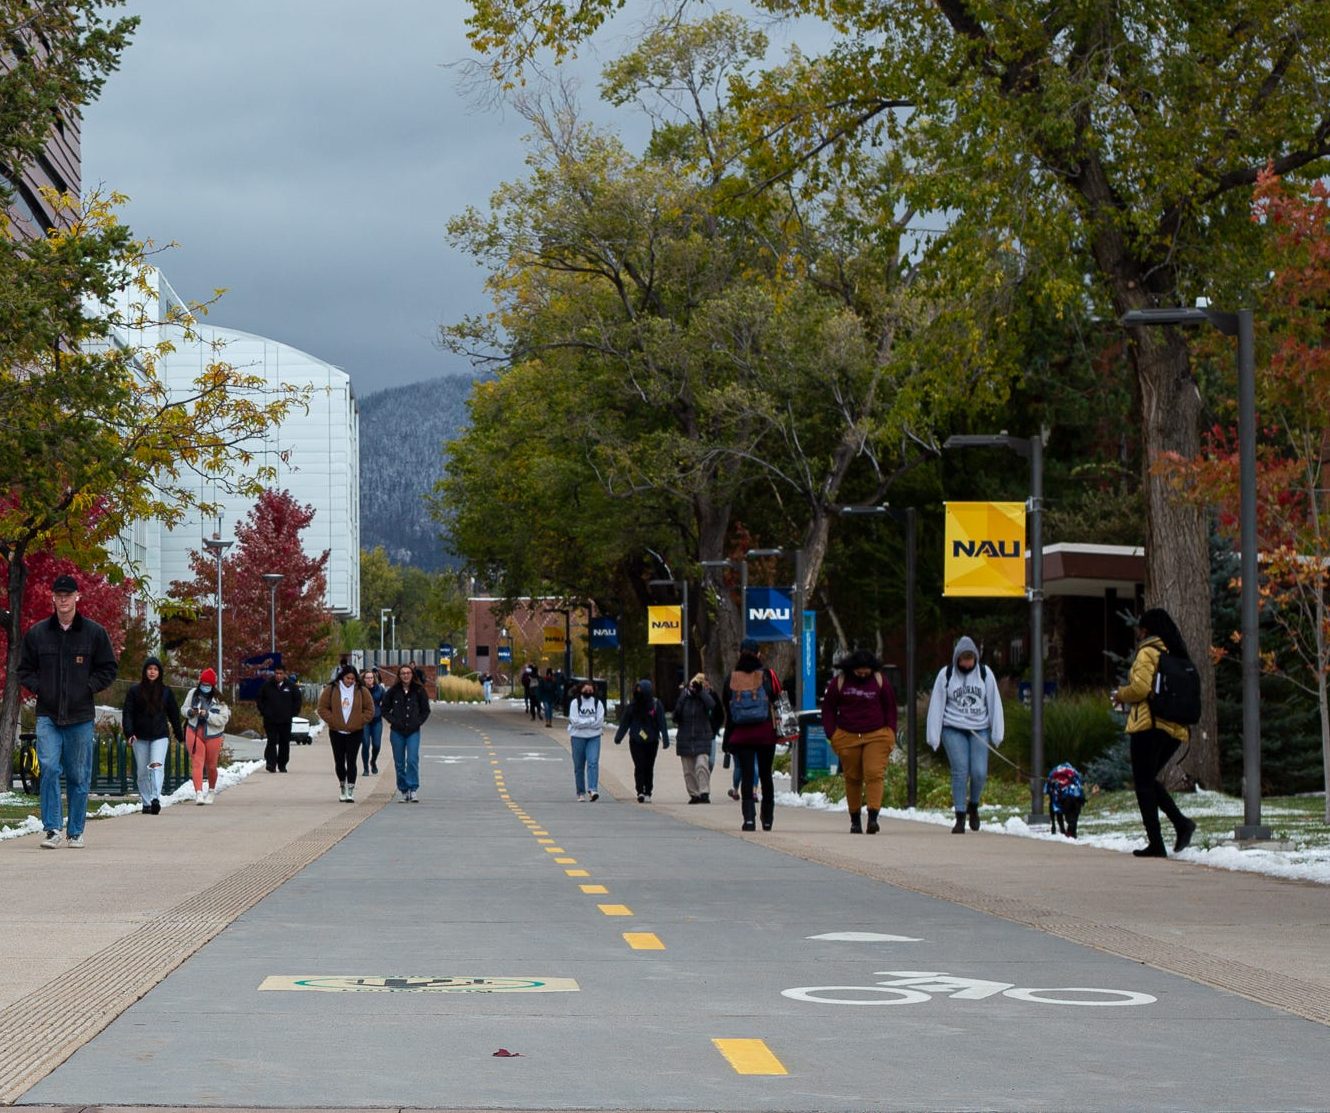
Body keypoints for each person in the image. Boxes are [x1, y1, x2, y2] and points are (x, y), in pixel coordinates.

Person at [17, 574, 119, 848]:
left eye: (68, 594)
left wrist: (87, 686)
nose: (63, 599)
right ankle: (52, 829)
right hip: (48, 714)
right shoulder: (38, 633)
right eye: (58, 594)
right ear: (52, 598)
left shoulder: (94, 633)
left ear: (77, 597)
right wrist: (42, 688)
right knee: (49, 767)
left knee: (77, 774)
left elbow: (108, 668)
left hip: (80, 716)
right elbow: (24, 669)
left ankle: (75, 831)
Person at [1114, 607, 1197, 858]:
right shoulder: (1176, 653)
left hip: (1148, 726)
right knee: (1148, 780)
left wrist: (1120, 694)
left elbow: (1139, 688)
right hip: (1174, 728)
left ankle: (1158, 842)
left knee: (1143, 783)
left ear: (1146, 630)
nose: (1138, 633)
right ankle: (1181, 824)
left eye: (1140, 628)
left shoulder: (1148, 651)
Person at [926, 636, 1005, 834]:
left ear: (975, 659)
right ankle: (960, 816)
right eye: (963, 659)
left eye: (970, 659)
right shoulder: (946, 675)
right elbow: (937, 705)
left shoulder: (985, 674)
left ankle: (974, 805)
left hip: (979, 728)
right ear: (957, 659)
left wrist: (997, 733)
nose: (967, 663)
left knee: (979, 772)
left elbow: (994, 703)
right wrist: (933, 736)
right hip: (953, 727)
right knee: (960, 770)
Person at [821, 649, 898, 834]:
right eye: (859, 672)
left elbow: (890, 707)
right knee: (853, 777)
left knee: (874, 773)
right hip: (847, 735)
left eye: (866, 672)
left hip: (877, 734)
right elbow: (828, 709)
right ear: (851, 669)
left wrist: (890, 732)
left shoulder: (880, 681)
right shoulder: (839, 682)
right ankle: (855, 820)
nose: (863, 675)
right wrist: (833, 734)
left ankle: (873, 817)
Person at [722, 639, 781, 831]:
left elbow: (728, 711)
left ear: (740, 654)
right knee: (765, 775)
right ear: (759, 655)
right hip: (765, 734)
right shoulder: (768, 675)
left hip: (742, 735)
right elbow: (777, 699)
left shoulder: (731, 678)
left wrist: (727, 739)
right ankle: (767, 818)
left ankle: (749, 819)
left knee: (747, 776)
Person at [122, 656, 184, 815]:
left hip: (159, 735)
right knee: (142, 771)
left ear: (159, 672)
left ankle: (155, 798)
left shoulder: (166, 692)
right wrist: (129, 733)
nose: (152, 672)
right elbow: (128, 713)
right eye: (149, 669)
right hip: (139, 736)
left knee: (156, 766)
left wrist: (179, 734)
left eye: (155, 669)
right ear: (145, 671)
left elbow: (174, 714)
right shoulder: (134, 691)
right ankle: (146, 802)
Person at [317, 663, 373, 802]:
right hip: (337, 731)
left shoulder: (362, 691)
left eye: (353, 679)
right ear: (342, 677)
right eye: (348, 678)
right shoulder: (331, 689)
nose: (350, 681)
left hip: (355, 731)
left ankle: (351, 789)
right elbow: (322, 708)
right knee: (339, 761)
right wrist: (333, 721)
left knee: (352, 760)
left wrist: (359, 721)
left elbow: (369, 710)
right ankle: (342, 784)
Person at [382, 662, 432, 802]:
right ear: (399, 675)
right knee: (399, 762)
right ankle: (403, 789)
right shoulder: (393, 691)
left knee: (412, 759)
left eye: (408, 673)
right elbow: (385, 709)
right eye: (403, 673)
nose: (406, 676)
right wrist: (393, 720)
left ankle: (413, 788)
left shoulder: (419, 690)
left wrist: (418, 721)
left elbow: (425, 710)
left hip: (413, 731)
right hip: (397, 731)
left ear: (412, 674)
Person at [614, 678, 670, 802]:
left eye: (641, 690)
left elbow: (662, 722)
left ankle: (648, 790)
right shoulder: (632, 706)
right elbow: (625, 722)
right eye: (637, 690)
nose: (639, 693)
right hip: (636, 740)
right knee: (639, 765)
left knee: (649, 766)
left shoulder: (656, 704)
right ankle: (640, 790)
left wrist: (665, 739)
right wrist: (619, 737)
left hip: (652, 740)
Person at [183, 667, 231, 805]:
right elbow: (183, 709)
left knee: (211, 766)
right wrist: (190, 712)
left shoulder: (220, 700)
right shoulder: (192, 694)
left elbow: (223, 720)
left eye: (208, 685)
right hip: (194, 730)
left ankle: (211, 790)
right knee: (197, 762)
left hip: (213, 735)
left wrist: (208, 715)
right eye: (203, 684)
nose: (205, 687)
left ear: (213, 685)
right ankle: (198, 793)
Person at [673, 672, 718, 804]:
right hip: (685, 737)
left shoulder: (705, 697)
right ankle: (694, 794)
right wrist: (684, 696)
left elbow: (712, 706)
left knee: (702, 765)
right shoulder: (684, 697)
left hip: (702, 737)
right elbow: (676, 715)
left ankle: (704, 792)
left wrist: (701, 693)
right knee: (688, 770)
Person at [256, 664, 302, 773]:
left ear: (285, 674)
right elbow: (259, 700)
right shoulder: (267, 686)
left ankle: (282, 764)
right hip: (270, 720)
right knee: (271, 741)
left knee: (284, 742)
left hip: (285, 721)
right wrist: (264, 712)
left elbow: (297, 701)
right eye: (276, 673)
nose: (278, 676)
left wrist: (292, 713)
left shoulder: (291, 687)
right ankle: (271, 763)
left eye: (281, 673)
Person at [566, 680, 605, 801]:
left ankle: (593, 789)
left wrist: (584, 723)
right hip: (577, 737)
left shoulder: (598, 703)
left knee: (593, 762)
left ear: (594, 691)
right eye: (585, 690)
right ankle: (580, 792)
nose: (588, 692)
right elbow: (574, 722)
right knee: (579, 766)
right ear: (580, 690)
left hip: (594, 737)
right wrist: (590, 721)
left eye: (590, 690)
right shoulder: (575, 703)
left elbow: (599, 722)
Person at [359, 667, 386, 774]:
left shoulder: (380, 689)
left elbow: (385, 703)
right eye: (367, 678)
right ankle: (365, 768)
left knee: (376, 745)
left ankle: (373, 761)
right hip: (364, 721)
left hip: (376, 720)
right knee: (365, 744)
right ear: (364, 679)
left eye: (371, 678)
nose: (369, 680)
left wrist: (382, 711)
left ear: (374, 678)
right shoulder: (360, 690)